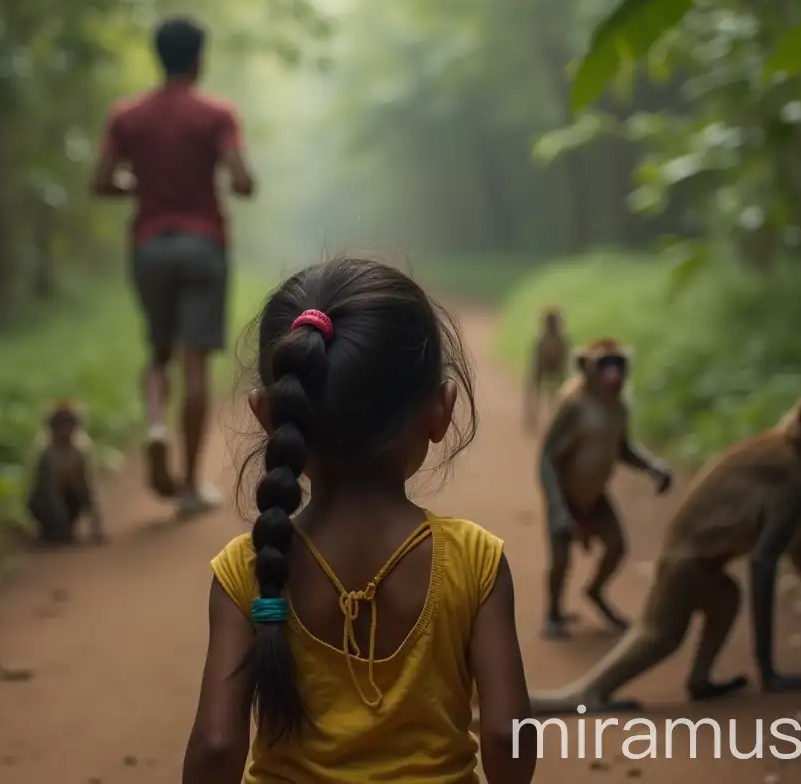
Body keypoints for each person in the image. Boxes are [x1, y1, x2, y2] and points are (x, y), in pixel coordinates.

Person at [181, 258, 537, 784]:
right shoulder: (476, 561)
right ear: (441, 410)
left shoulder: (247, 570)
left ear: (268, 415)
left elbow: (215, 747)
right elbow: (509, 737)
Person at [91, 15, 254, 516]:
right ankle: (188, 484)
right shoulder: (216, 114)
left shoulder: (128, 115)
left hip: (151, 246)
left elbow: (100, 181)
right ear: (200, 58)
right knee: (195, 360)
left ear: (159, 56)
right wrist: (229, 181)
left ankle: (157, 424)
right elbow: (243, 180)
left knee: (158, 352)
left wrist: (138, 186)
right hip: (203, 245)